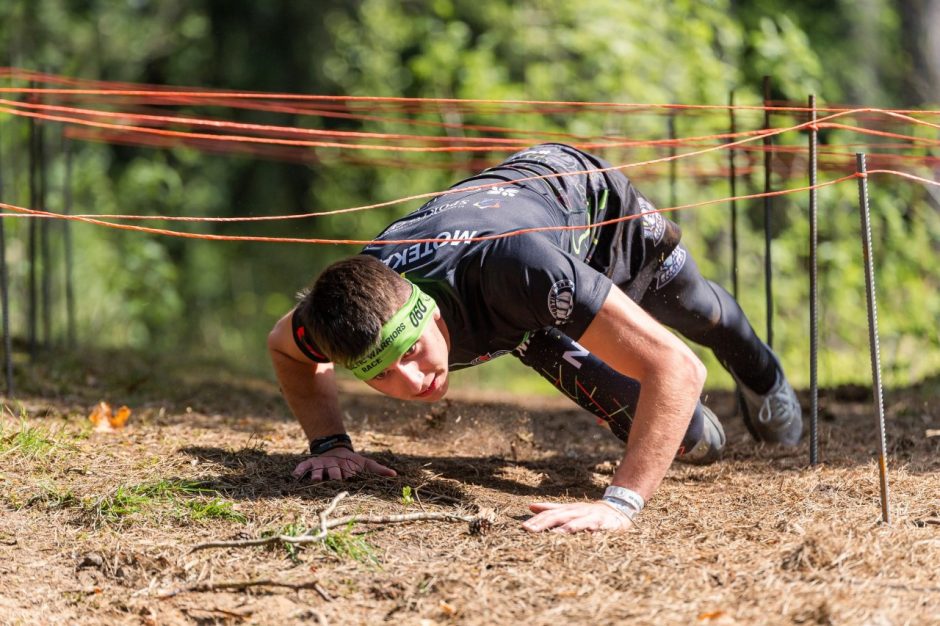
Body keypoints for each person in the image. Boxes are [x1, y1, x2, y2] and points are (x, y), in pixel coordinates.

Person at [267, 143, 802, 534]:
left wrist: (620, 504)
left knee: (699, 313)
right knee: (694, 441)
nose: (414, 381)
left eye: (410, 351)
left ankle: (762, 374)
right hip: (521, 303)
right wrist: (331, 444)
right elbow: (284, 348)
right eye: (380, 373)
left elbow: (680, 368)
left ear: (427, 311)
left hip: (586, 204)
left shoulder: (518, 269)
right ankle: (532, 336)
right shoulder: (341, 311)